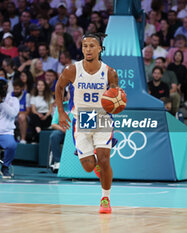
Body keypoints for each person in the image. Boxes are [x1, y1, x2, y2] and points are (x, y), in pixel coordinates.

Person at [55, 32, 120, 214]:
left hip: (102, 117)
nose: (88, 49)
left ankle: (105, 198)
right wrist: (61, 111)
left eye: (92, 46)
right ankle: (97, 167)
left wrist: (118, 101)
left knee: (104, 157)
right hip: (81, 118)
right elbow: (59, 88)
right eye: (85, 46)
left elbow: (115, 95)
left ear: (99, 49)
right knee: (89, 165)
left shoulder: (109, 72)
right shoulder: (72, 70)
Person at [48, 101, 70, 173]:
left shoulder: (80, 104)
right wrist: (64, 130)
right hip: (64, 131)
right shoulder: (61, 106)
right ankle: (57, 161)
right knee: (55, 135)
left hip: (78, 131)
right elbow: (54, 124)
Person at [12, 78, 31, 144]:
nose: (15, 91)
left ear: (22, 88)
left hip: (24, 117)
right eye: (14, 89)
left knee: (21, 117)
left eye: (17, 89)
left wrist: (17, 112)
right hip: (12, 116)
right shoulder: (10, 95)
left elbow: (28, 111)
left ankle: (23, 139)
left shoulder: (27, 95)